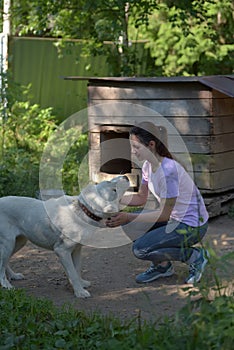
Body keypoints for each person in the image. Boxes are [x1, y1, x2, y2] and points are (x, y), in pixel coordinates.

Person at [106, 121, 209, 284]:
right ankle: (163, 266)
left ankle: (194, 256)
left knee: (140, 249)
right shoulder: (148, 166)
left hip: (192, 226)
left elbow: (163, 214)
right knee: (130, 227)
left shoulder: (168, 172)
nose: (133, 152)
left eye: (136, 147)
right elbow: (141, 197)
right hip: (174, 219)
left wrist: (127, 216)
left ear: (151, 145)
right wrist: (114, 198)